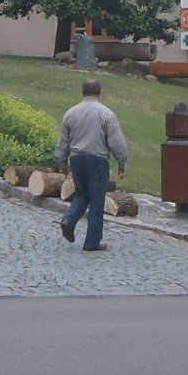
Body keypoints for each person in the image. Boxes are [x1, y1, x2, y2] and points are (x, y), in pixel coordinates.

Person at [56, 78, 128, 251]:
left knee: (81, 194)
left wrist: (61, 161)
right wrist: (122, 161)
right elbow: (116, 141)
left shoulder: (70, 113)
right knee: (97, 200)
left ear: (82, 92)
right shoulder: (106, 114)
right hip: (97, 159)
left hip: (76, 159)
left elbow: (63, 141)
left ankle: (69, 219)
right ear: (100, 93)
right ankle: (91, 242)